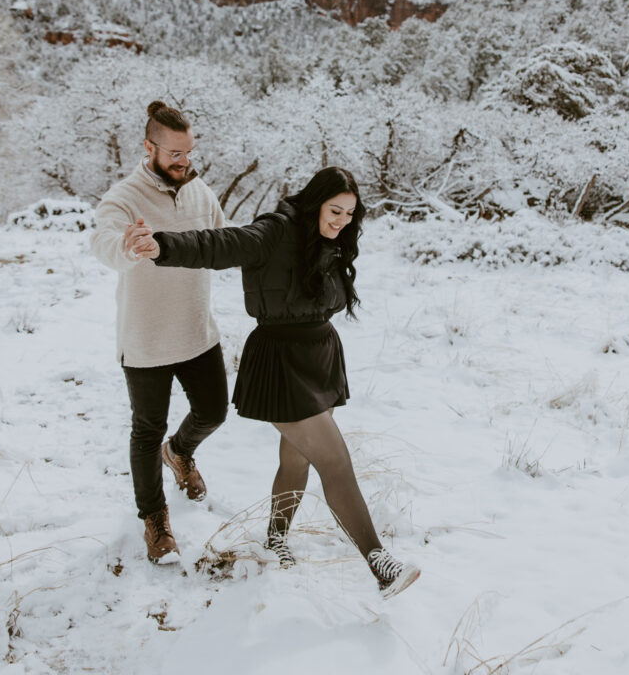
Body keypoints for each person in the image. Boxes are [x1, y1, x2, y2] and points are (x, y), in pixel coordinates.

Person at [127, 166, 420, 598]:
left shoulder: (331, 241)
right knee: (335, 461)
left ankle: (276, 539)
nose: (341, 221)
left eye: (349, 214)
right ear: (314, 202)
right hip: (282, 363)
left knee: (297, 459)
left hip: (319, 359)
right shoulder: (275, 232)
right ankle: (380, 564)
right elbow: (218, 244)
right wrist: (161, 246)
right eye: (334, 210)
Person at [90, 101, 228, 564]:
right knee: (147, 431)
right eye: (174, 153)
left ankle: (181, 453)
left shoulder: (199, 191)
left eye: (188, 151)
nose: (184, 160)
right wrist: (127, 247)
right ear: (148, 147)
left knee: (213, 411)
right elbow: (105, 243)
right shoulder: (123, 197)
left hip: (197, 331)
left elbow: (221, 239)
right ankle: (154, 519)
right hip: (146, 339)